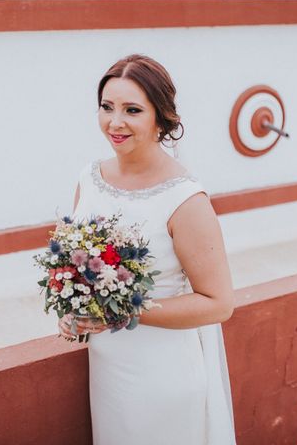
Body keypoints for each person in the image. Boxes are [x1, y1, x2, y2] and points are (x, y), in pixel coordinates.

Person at [60, 53, 237, 444]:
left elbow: (219, 303)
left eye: (132, 110)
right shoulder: (88, 179)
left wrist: (122, 311)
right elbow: (79, 265)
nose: (114, 122)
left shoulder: (185, 199)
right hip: (108, 369)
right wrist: (73, 308)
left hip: (163, 375)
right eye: (107, 107)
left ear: (161, 117)